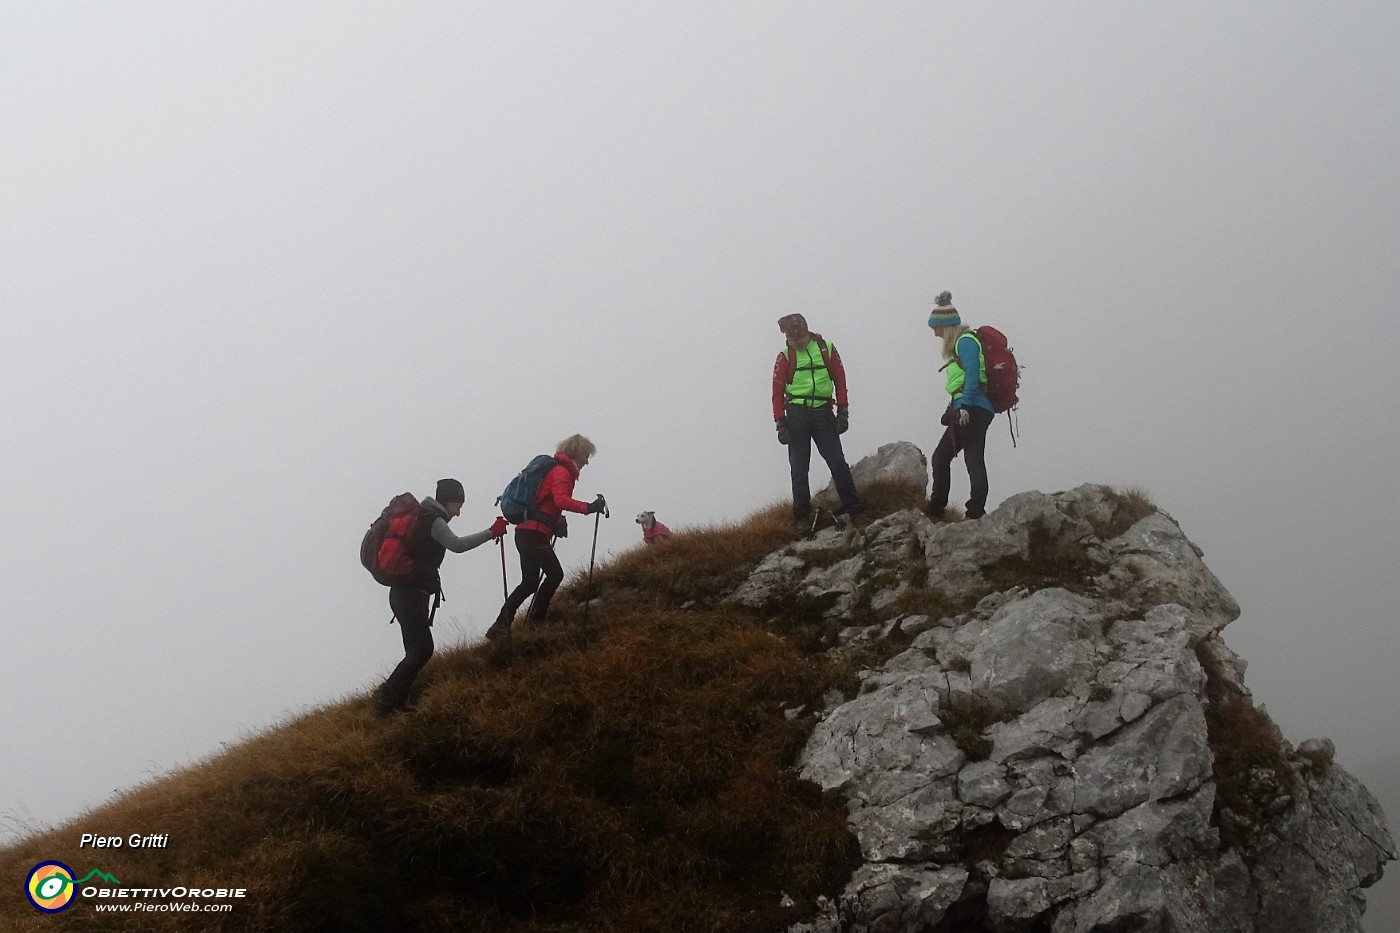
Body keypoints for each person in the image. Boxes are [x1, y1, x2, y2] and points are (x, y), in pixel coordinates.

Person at [377, 478, 507, 714]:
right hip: (409, 595)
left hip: (404, 594)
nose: (458, 513)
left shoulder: (424, 517)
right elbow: (456, 545)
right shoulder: (434, 520)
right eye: (458, 506)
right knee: (422, 649)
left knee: (417, 650)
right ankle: (388, 703)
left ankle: (394, 702)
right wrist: (491, 532)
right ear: (447, 502)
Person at [486, 435, 605, 640]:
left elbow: (548, 503)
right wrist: (589, 507)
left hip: (525, 532)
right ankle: (536, 620)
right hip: (534, 534)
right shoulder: (561, 472)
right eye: (586, 455)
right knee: (554, 574)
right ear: (576, 453)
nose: (587, 461)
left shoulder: (554, 470)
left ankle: (499, 625)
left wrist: (554, 522)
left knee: (530, 582)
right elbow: (561, 501)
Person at [772, 313, 863, 533]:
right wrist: (780, 423)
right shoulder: (785, 356)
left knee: (837, 461)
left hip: (823, 413)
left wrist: (843, 410)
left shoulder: (826, 348)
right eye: (791, 340)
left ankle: (856, 510)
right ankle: (802, 515)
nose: (795, 343)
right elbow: (776, 392)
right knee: (799, 467)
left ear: (806, 332)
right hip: (796, 415)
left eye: (798, 339)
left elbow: (840, 379)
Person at [926, 291, 995, 521]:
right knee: (974, 458)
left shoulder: (965, 342)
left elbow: (973, 374)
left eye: (936, 328)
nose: (935, 333)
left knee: (941, 457)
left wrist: (964, 405)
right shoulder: (962, 343)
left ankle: (937, 509)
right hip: (976, 406)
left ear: (946, 326)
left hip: (972, 407)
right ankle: (975, 512)